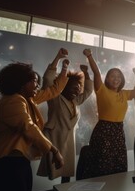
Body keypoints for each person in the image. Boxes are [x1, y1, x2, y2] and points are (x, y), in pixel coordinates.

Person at [0, 48, 70, 191]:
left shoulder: (28, 99)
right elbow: (28, 127)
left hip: (18, 162)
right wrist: (54, 150)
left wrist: (62, 63)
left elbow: (54, 90)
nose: (38, 85)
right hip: (5, 165)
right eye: (34, 81)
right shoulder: (13, 101)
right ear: (21, 83)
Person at [80, 48, 135, 178]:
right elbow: (97, 74)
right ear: (107, 79)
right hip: (103, 131)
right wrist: (90, 56)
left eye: (119, 76)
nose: (116, 79)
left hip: (118, 132)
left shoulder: (124, 93)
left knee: (118, 166)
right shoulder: (101, 90)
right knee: (101, 167)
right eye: (113, 76)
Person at [37, 51, 94, 183]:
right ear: (64, 87)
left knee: (66, 173)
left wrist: (85, 73)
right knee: (55, 169)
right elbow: (48, 79)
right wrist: (58, 58)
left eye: (79, 88)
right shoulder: (55, 97)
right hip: (54, 138)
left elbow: (88, 90)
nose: (78, 90)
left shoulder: (76, 101)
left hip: (69, 140)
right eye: (74, 87)